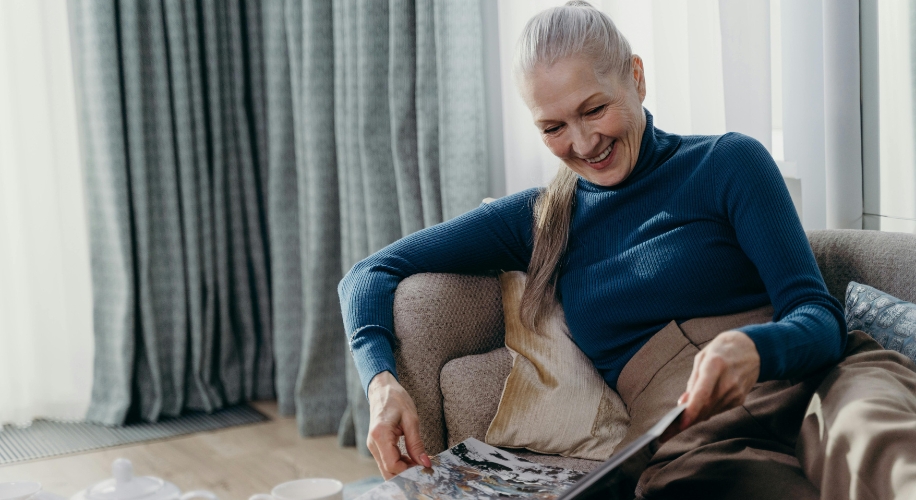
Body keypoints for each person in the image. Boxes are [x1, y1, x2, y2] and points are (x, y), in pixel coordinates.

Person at [338, 2, 916, 498]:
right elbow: (370, 272)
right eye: (553, 127)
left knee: (879, 451)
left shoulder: (727, 162)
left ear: (636, 77)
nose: (584, 143)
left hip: (822, 378)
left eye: (594, 109)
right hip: (694, 436)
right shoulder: (541, 219)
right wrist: (382, 384)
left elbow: (819, 318)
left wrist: (753, 348)